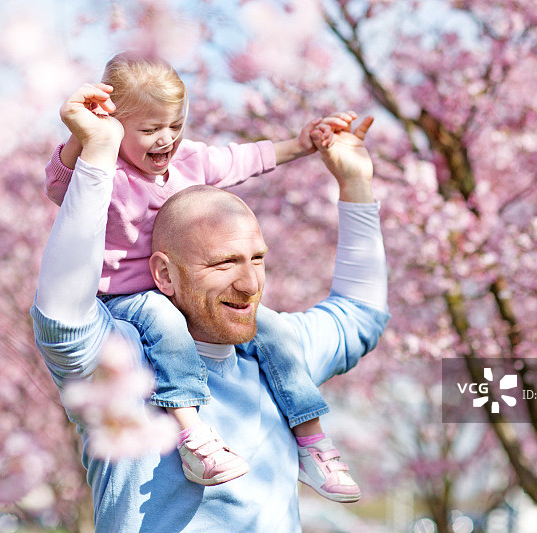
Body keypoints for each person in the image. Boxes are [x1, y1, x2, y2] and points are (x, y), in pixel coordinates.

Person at [32, 81, 390, 531]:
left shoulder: (277, 354)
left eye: (256, 259)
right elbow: (62, 312)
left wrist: (355, 181)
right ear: (164, 274)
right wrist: (99, 151)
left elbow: (361, 315)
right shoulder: (118, 364)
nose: (248, 283)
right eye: (223, 263)